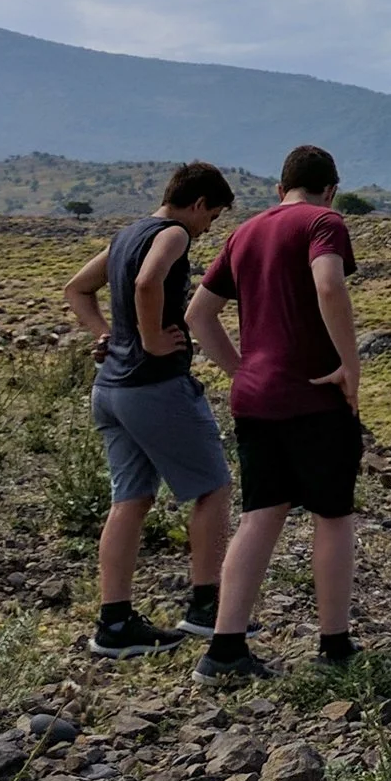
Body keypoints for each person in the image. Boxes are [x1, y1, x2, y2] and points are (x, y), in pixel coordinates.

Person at [185, 144, 364, 683]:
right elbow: (328, 283)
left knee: (261, 514)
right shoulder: (324, 222)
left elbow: (199, 314)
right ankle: (334, 646)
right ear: (331, 189)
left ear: (279, 189)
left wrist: (241, 370)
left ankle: (224, 649)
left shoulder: (244, 232)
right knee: (333, 515)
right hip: (314, 396)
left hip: (256, 399)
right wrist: (349, 364)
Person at [59, 161, 239, 656]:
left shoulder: (125, 235)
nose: (208, 229)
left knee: (131, 500)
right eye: (212, 217)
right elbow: (147, 283)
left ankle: (115, 623)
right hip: (155, 388)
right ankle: (206, 609)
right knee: (214, 488)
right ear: (197, 203)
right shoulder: (173, 233)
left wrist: (107, 334)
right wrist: (151, 338)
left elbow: (76, 288)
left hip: (111, 389)